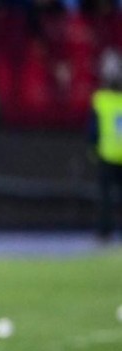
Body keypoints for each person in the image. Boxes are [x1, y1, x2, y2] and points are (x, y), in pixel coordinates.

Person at [91, 52, 122, 242]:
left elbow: (92, 129)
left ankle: (105, 232)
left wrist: (93, 148)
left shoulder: (100, 99)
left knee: (105, 198)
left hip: (107, 154)